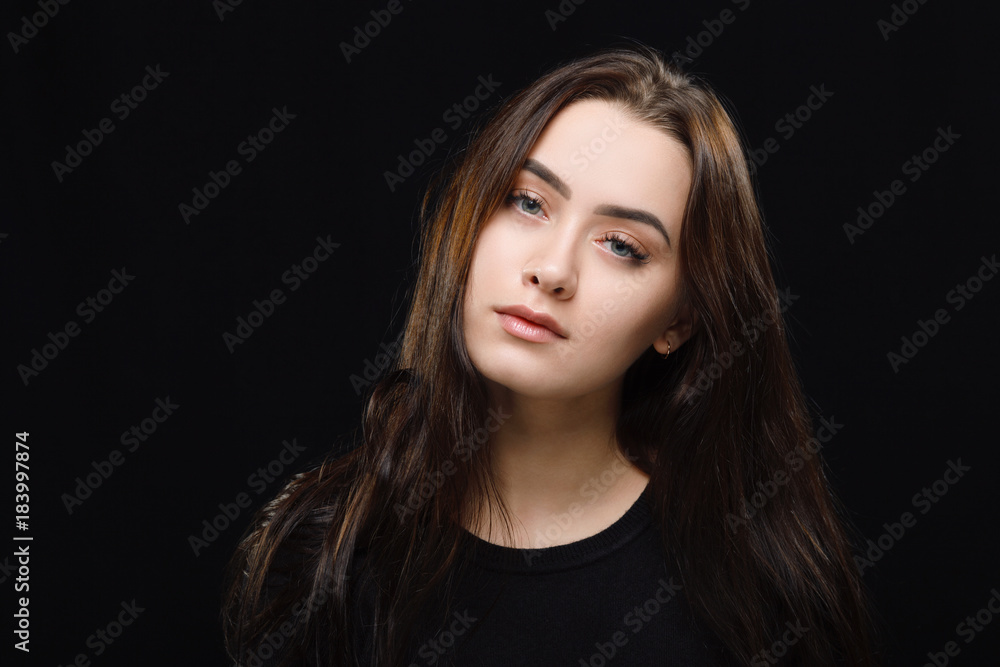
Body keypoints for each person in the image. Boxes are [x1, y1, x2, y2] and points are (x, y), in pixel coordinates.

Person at [223, 44, 877, 666]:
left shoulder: (755, 595)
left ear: (679, 320)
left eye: (621, 245)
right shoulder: (328, 549)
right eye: (528, 202)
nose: (553, 269)